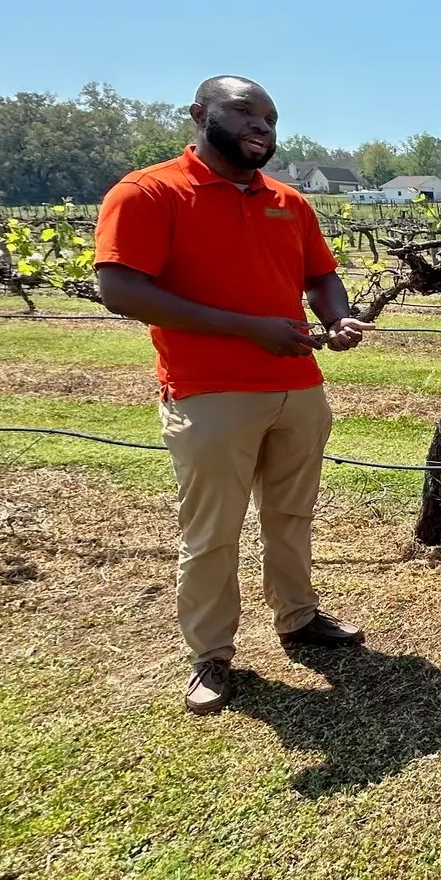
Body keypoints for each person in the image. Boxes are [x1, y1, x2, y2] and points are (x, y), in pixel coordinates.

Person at [94, 76, 376, 716]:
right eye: (247, 113)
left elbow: (320, 274)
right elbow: (122, 290)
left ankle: (298, 617)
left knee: (292, 514)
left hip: (298, 387)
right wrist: (253, 330)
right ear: (200, 114)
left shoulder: (288, 201)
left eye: (271, 120)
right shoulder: (149, 192)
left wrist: (337, 318)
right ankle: (211, 653)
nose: (263, 128)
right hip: (209, 392)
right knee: (212, 530)